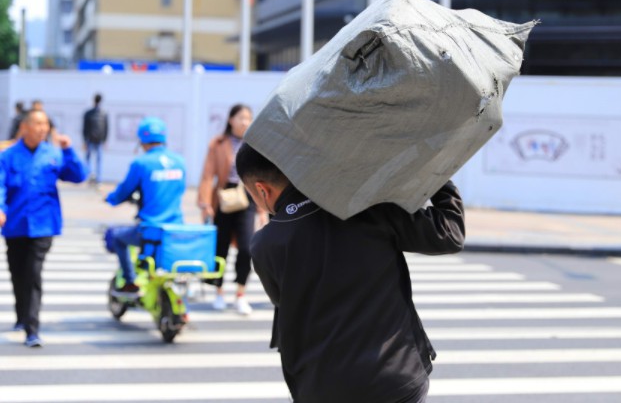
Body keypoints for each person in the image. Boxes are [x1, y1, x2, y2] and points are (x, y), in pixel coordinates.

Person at [235, 143, 465, 403]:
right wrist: (438, 170)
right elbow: (449, 234)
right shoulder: (366, 204)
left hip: (321, 388)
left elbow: (284, 303)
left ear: (262, 190)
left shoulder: (265, 245)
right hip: (393, 379)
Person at [0, 109, 87, 348]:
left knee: (33, 272)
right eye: (37, 124)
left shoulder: (53, 154)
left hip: (43, 225)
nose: (42, 129)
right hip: (15, 225)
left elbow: (79, 176)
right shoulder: (8, 156)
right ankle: (21, 316)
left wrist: (69, 151)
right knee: (18, 273)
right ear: (25, 127)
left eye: (45, 124)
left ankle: (32, 329)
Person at [197, 104, 267, 314]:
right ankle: (219, 292)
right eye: (241, 118)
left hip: (247, 197)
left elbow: (261, 176)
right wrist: (205, 203)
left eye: (248, 118)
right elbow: (208, 175)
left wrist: (263, 209)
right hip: (223, 197)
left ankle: (240, 293)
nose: (245, 122)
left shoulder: (256, 144)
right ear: (231, 120)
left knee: (247, 248)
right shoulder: (218, 143)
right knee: (221, 248)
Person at [106, 117, 186, 296]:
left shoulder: (141, 163)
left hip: (150, 229)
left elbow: (124, 191)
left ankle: (129, 281)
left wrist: (110, 199)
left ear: (141, 140)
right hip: (176, 227)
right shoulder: (180, 161)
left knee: (117, 238)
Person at [82, 93, 109, 185]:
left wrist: (104, 140)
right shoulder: (91, 113)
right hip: (92, 140)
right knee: (91, 159)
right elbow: (85, 127)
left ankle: (98, 178)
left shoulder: (103, 113)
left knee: (97, 159)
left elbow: (106, 127)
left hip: (97, 140)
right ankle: (91, 176)